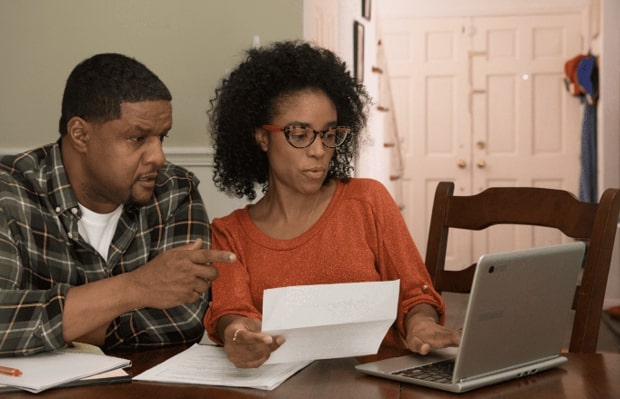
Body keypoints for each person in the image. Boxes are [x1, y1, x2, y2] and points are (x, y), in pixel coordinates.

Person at [203, 41, 461, 368]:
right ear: (262, 137)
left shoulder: (367, 201)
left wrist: (420, 323)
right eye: (299, 134)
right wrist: (238, 336)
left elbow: (416, 294)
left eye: (328, 134)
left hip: (381, 386)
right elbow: (233, 313)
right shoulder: (229, 234)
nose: (319, 150)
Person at [0, 53, 235, 356]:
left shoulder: (175, 191)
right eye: (138, 138)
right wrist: (136, 288)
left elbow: (183, 320)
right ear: (80, 135)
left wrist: (62, 326)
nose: (159, 157)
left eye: (161, 137)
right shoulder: (9, 192)